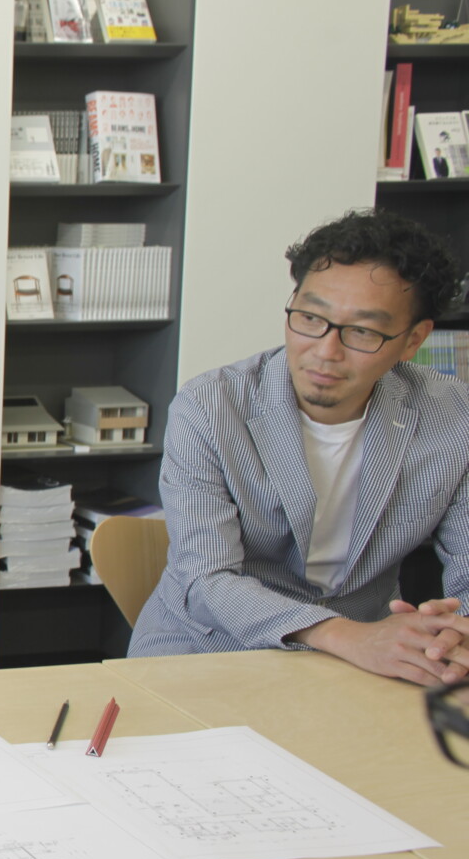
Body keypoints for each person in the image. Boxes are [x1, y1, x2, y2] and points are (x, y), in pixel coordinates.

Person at [130, 208, 469, 686]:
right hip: (211, 648)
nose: (326, 352)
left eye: (363, 331)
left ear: (413, 340)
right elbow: (207, 580)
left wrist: (452, 635)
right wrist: (348, 636)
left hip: (366, 666)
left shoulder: (454, 417)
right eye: (310, 318)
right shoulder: (211, 406)